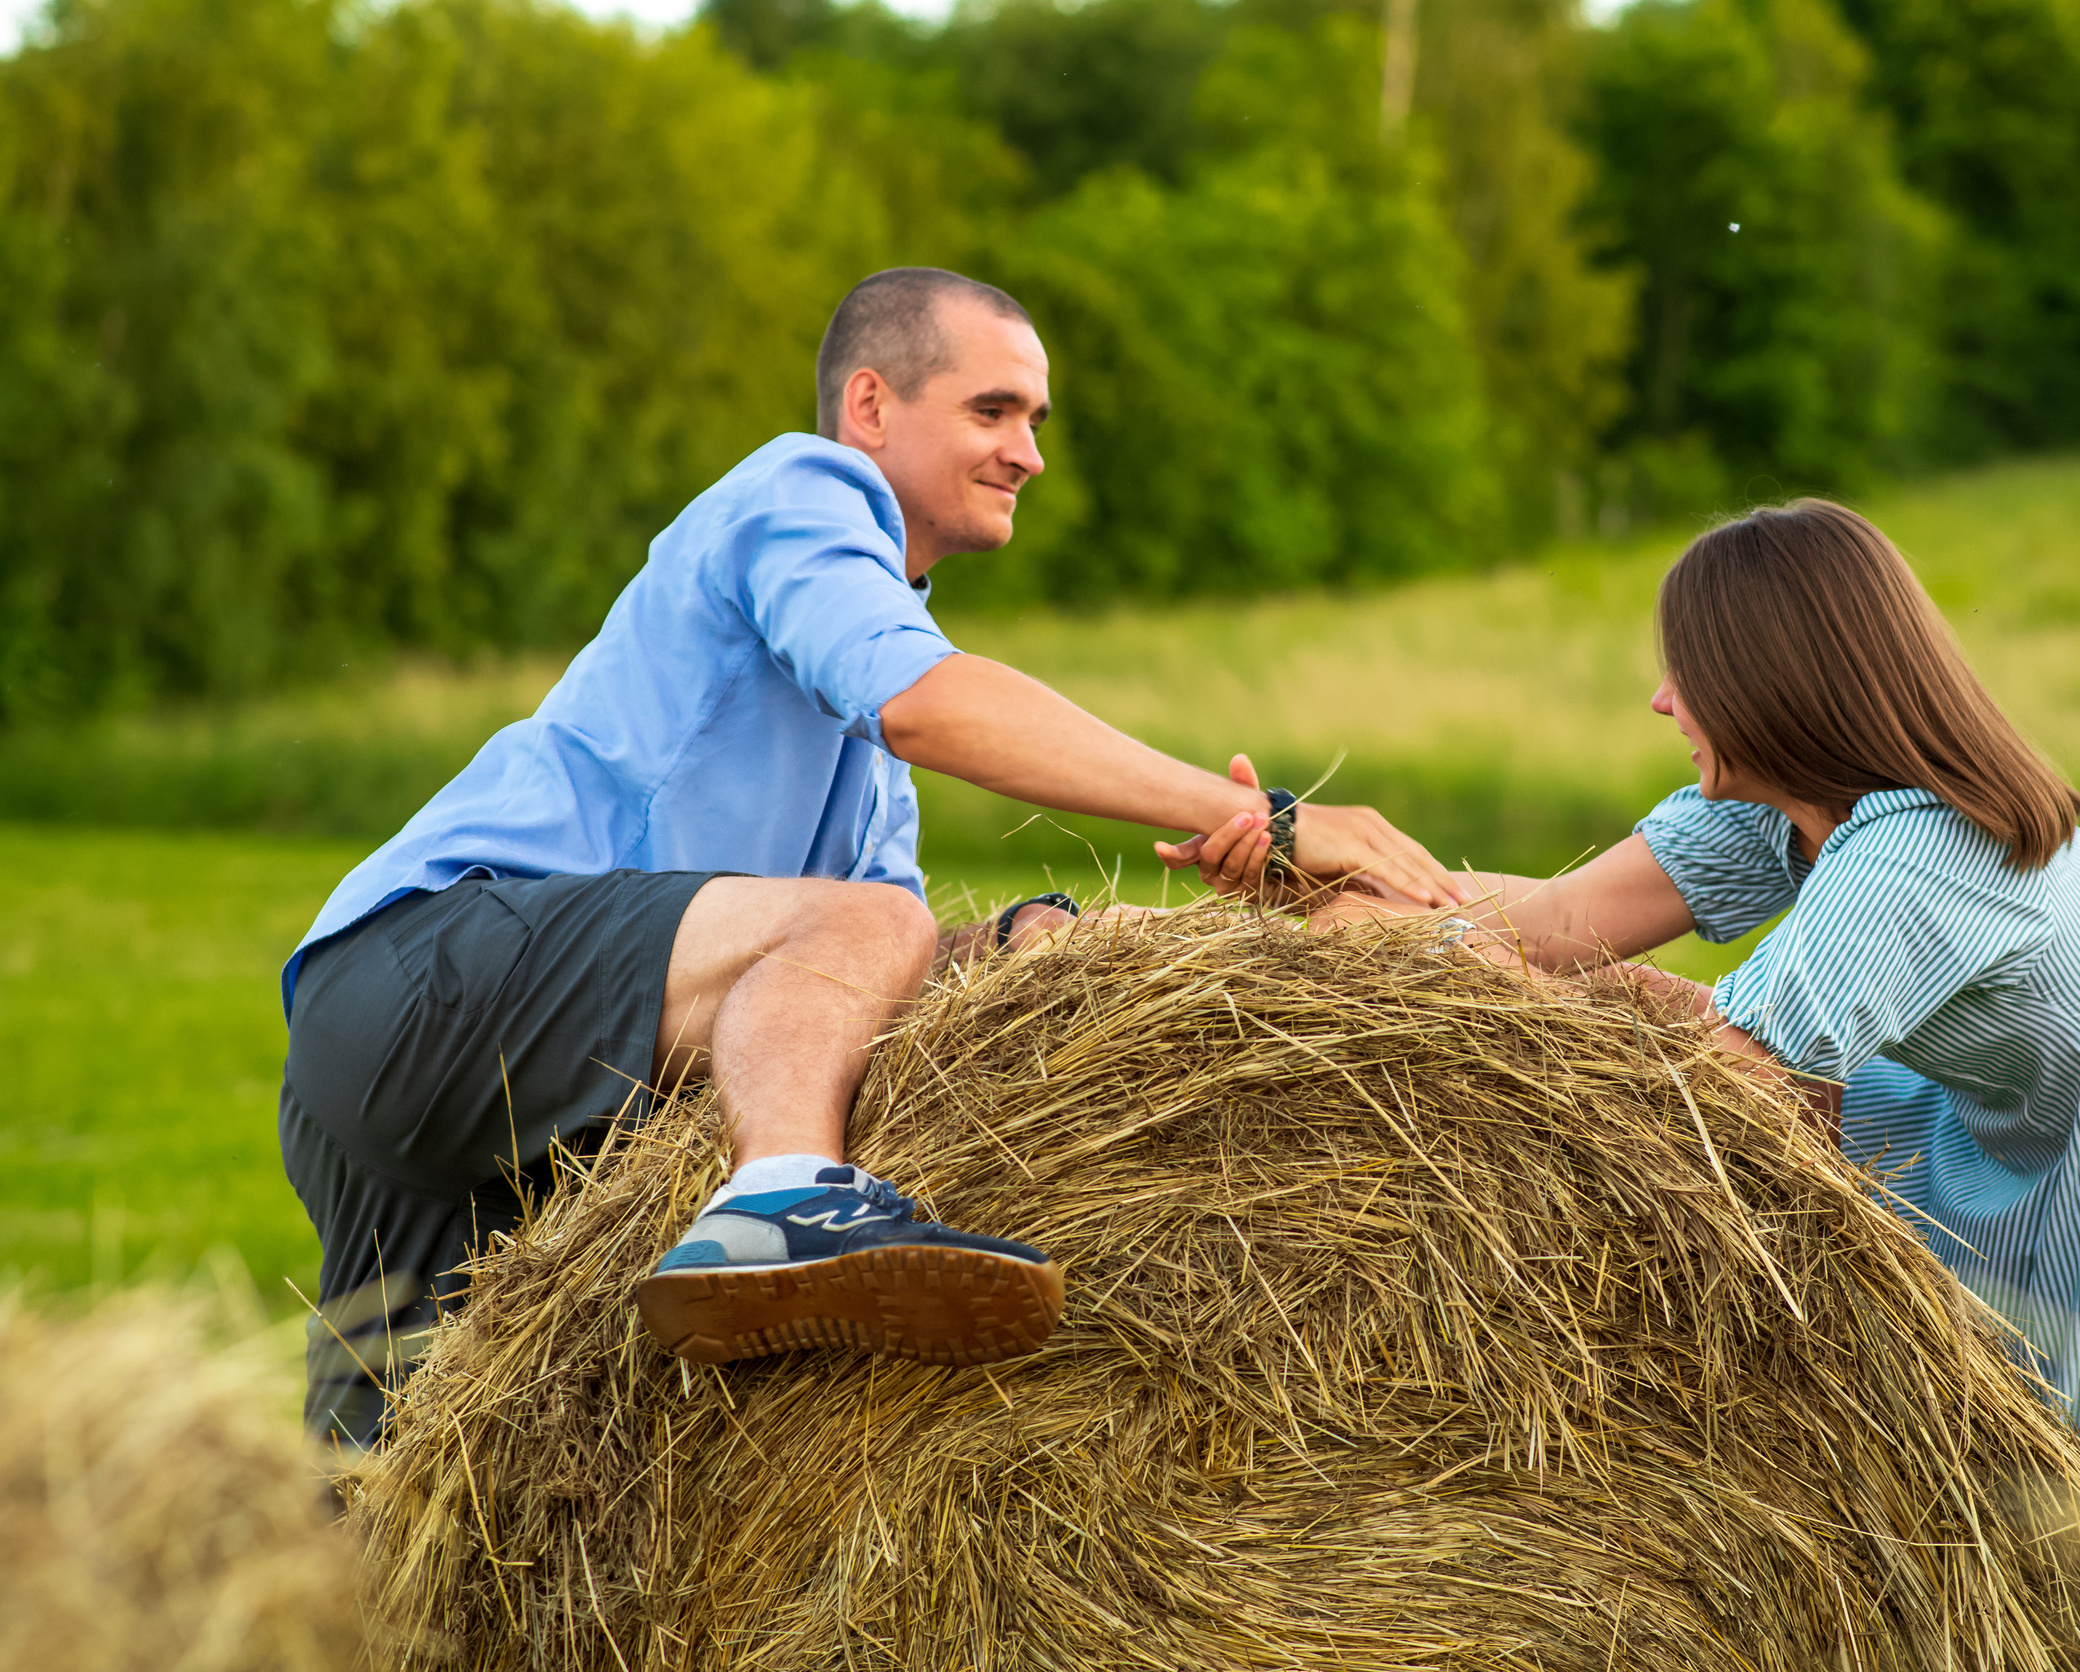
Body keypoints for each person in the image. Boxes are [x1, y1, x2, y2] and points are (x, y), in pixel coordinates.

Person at [282, 267, 1460, 1449]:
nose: (1028, 453)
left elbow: (871, 970)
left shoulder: (864, 729)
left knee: (409, 1498)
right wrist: (1274, 815)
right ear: (870, 407)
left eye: (1036, 423)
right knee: (863, 925)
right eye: (992, 410)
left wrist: (1064, 943)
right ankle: (781, 1202)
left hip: (469, 1094)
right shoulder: (796, 491)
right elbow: (926, 713)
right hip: (425, 970)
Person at [1197, 499, 2080, 1612]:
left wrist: (1421, 953)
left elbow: (1724, 1085)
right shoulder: (1796, 809)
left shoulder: (1928, 851)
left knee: (2072, 1590)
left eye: (1683, 674)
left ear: (1768, 681)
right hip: (1989, 1178)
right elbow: (1548, 926)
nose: (1659, 700)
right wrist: (1323, 877)